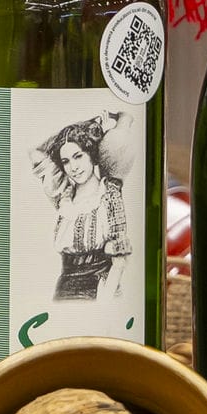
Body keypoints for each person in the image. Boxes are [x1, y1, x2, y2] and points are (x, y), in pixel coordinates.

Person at [47, 121, 130, 302]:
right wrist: (85, 126)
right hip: (64, 289)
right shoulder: (64, 199)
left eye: (78, 156)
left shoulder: (109, 194)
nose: (73, 167)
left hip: (101, 287)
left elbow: (119, 260)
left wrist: (105, 301)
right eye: (66, 161)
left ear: (92, 155)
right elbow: (35, 152)